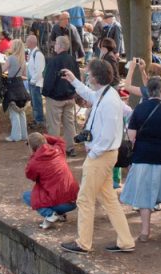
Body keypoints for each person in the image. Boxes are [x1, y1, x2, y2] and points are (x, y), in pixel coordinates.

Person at [58, 59, 137, 255]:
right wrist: (74, 81)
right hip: (104, 154)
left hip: (101, 156)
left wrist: (93, 150)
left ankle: (83, 243)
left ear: (94, 77)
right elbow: (91, 95)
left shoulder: (109, 101)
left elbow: (108, 135)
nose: (86, 75)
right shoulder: (107, 94)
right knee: (109, 199)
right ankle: (126, 240)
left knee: (84, 199)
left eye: (88, 73)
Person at [120, 76, 161, 242]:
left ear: (148, 91)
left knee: (144, 196)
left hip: (143, 158)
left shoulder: (139, 109)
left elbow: (131, 136)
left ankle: (145, 232)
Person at [23, 132, 79, 229]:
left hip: (61, 202)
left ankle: (49, 214)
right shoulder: (58, 150)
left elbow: (30, 176)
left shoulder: (34, 162)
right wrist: (44, 138)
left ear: (31, 147)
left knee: (28, 196)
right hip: (75, 199)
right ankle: (60, 214)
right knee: (51, 188)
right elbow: (59, 140)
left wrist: (33, 155)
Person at [42, 35, 81, 155]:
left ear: (59, 46)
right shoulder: (72, 60)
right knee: (69, 124)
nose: (54, 45)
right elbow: (77, 77)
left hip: (55, 97)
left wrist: (45, 93)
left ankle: (55, 149)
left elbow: (49, 79)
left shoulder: (53, 61)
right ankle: (70, 148)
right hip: (69, 96)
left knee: (54, 124)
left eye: (56, 44)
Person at [4, 39, 29, 142]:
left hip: (12, 86)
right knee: (21, 111)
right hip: (21, 86)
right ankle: (24, 135)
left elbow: (2, 70)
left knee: (13, 112)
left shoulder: (10, 58)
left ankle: (15, 136)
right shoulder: (23, 60)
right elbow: (25, 75)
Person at [25, 35, 46, 128]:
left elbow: (39, 70)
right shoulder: (33, 53)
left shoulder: (37, 54)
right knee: (34, 102)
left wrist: (33, 81)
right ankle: (36, 119)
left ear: (31, 43)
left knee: (37, 101)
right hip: (32, 81)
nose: (26, 43)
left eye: (27, 41)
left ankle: (39, 120)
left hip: (36, 83)